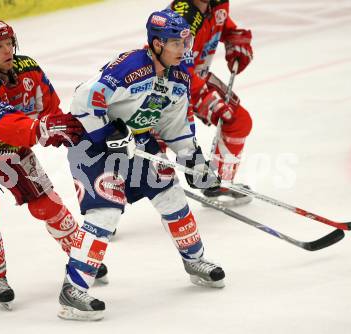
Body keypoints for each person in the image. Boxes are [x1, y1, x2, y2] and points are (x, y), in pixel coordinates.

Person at [57, 9, 225, 321]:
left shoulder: (178, 76)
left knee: (172, 195)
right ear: (157, 43)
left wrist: (194, 162)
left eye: (184, 42)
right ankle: (73, 289)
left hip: (137, 143)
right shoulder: (131, 66)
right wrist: (107, 133)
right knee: (105, 213)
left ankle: (195, 261)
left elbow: (175, 127)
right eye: (176, 43)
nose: (183, 49)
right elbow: (84, 98)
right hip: (93, 146)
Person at [0, 19, 107, 310]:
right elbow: (5, 125)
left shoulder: (28, 68)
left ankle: (79, 256)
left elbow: (49, 107)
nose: (6, 50)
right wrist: (42, 129)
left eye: (8, 43)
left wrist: (63, 129)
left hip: (11, 148)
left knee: (47, 204)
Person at [170, 0, 254, 206]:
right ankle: (106, 205)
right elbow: (174, 65)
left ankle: (220, 185)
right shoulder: (181, 18)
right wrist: (203, 97)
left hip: (196, 78)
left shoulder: (218, 4)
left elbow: (224, 25)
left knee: (237, 121)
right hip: (168, 83)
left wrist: (235, 40)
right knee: (152, 147)